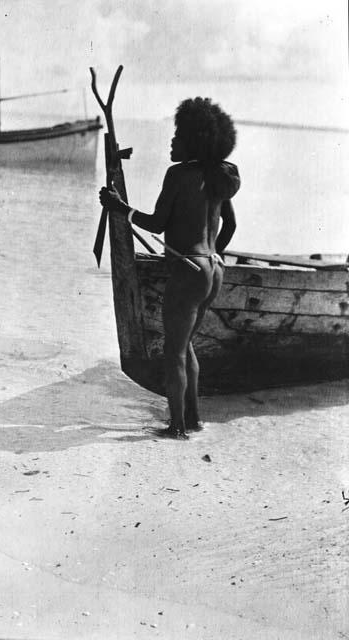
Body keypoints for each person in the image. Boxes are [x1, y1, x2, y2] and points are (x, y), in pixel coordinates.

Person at [99, 97, 240, 439]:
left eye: (178, 135)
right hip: (212, 269)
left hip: (189, 269)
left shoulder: (177, 175)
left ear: (194, 140)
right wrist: (212, 256)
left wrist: (121, 208)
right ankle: (193, 418)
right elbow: (230, 226)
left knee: (174, 352)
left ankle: (176, 427)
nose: (172, 141)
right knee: (186, 344)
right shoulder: (218, 177)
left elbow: (157, 224)